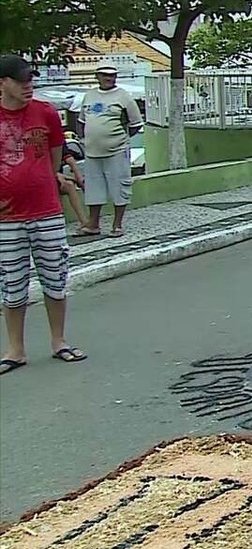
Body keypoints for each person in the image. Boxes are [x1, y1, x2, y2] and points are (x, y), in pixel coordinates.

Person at [1, 55, 87, 375]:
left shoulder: (46, 112)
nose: (28, 86)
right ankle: (15, 349)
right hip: (6, 218)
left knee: (55, 277)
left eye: (31, 80)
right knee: (12, 284)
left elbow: (54, 156)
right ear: (2, 83)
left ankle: (58, 340)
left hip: (46, 211)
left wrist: (43, 181)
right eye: (21, 81)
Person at [74, 62, 143, 237]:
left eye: (112, 76)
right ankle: (93, 224)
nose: (108, 78)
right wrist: (84, 139)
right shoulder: (89, 95)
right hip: (91, 151)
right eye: (104, 75)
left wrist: (121, 139)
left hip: (116, 150)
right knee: (93, 189)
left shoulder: (124, 96)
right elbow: (81, 121)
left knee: (120, 187)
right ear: (97, 77)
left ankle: (117, 225)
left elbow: (135, 124)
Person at [58, 137, 88, 230]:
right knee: (69, 183)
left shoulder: (58, 139)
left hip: (56, 176)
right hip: (43, 175)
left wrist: (79, 178)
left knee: (70, 185)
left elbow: (69, 159)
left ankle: (84, 221)